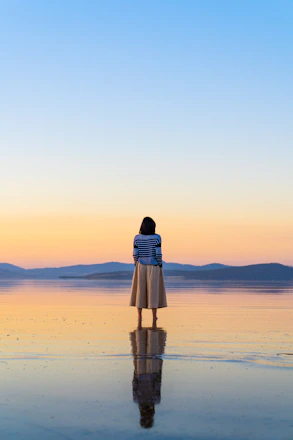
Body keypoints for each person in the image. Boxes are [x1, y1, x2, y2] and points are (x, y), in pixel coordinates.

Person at [129, 217, 167, 324]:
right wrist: (160, 264)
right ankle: (154, 317)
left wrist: (136, 264)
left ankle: (139, 316)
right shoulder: (157, 237)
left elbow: (135, 254)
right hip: (154, 266)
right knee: (153, 291)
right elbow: (158, 253)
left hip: (141, 266)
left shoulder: (137, 238)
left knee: (139, 291)